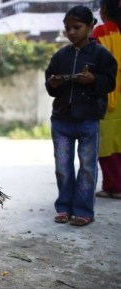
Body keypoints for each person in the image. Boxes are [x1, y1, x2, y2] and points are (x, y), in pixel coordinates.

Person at [45, 5, 117, 226]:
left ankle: (84, 211)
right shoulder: (60, 55)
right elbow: (49, 85)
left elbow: (110, 82)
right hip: (61, 120)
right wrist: (53, 83)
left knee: (87, 167)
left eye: (77, 27)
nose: (72, 32)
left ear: (90, 26)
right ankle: (64, 208)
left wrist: (94, 80)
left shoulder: (102, 55)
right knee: (63, 166)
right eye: (68, 28)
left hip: (88, 120)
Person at [91, 0, 121, 199]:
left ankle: (114, 186)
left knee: (106, 143)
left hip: (110, 96)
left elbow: (90, 60)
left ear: (104, 11)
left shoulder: (102, 32)